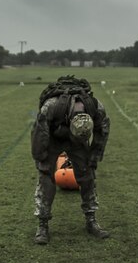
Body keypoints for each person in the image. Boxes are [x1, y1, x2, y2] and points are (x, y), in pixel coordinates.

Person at [31, 76, 111, 244]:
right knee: (46, 177)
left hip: (78, 142)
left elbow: (103, 129)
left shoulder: (95, 107)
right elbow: (39, 132)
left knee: (88, 175)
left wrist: (95, 155)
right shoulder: (51, 106)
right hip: (53, 137)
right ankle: (42, 225)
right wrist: (41, 156)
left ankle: (91, 221)